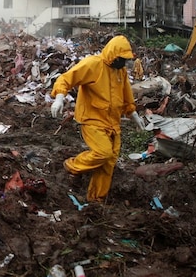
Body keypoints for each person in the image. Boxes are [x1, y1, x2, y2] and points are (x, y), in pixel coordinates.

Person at [49, 35, 146, 203]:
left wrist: (133, 114)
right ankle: (72, 166)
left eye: (125, 59)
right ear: (113, 54)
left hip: (112, 122)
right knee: (103, 152)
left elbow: (126, 95)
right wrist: (59, 98)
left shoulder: (120, 71)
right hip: (91, 118)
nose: (123, 63)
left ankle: (96, 199)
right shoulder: (93, 64)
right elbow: (66, 78)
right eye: (121, 58)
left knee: (109, 161)